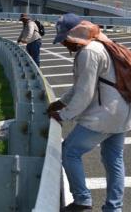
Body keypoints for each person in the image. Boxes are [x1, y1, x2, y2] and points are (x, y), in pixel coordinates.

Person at [48, 13, 131, 212]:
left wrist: (63, 115)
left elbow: (85, 92)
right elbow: (81, 87)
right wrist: (61, 102)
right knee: (114, 160)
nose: (64, 45)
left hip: (104, 115)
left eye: (65, 40)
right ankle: (114, 207)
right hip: (121, 113)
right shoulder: (102, 43)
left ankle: (82, 201)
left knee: (69, 151)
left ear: (76, 33)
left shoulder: (89, 52)